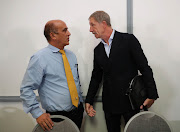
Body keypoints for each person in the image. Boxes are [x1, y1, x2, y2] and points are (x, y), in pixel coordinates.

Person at [85, 11, 159, 132]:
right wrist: (89, 100)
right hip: (110, 104)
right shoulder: (98, 50)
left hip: (132, 101)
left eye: (92, 25)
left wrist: (152, 95)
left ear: (103, 23)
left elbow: (144, 68)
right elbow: (96, 78)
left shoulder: (128, 40)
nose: (90, 29)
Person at [20, 20, 84, 131]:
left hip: (77, 112)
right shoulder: (40, 58)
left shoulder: (71, 55)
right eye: (65, 30)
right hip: (56, 118)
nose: (69, 33)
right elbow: (26, 88)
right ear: (53, 35)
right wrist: (38, 114)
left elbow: (74, 82)